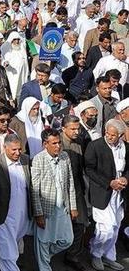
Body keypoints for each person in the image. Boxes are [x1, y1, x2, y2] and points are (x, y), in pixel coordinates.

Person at [85, 119, 129, 271]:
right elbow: (89, 169)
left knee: (115, 227)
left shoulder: (125, 148)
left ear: (120, 135)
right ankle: (96, 254)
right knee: (106, 229)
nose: (109, 137)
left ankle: (109, 257)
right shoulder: (95, 146)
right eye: (107, 134)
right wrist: (109, 182)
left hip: (119, 195)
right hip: (102, 193)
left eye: (113, 135)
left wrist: (125, 178)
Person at [31, 128, 78, 271]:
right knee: (43, 242)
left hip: (62, 208)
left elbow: (70, 182)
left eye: (59, 143)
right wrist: (38, 214)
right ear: (46, 144)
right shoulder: (39, 159)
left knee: (67, 240)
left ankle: (45, 257)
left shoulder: (64, 156)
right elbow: (35, 189)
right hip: (46, 209)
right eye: (54, 143)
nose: (58, 146)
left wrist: (73, 206)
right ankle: (44, 266)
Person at [0, 134, 32, 271]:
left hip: (23, 217)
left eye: (19, 149)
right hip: (3, 217)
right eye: (13, 150)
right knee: (7, 253)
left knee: (10, 249)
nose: (17, 153)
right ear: (4, 148)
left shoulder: (26, 161)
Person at [61, 115, 90, 271]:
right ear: (63, 128)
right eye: (72, 129)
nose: (76, 132)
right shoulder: (56, 143)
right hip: (60, 190)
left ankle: (73, 255)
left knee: (80, 223)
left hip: (77, 189)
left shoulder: (79, 142)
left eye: (78, 128)